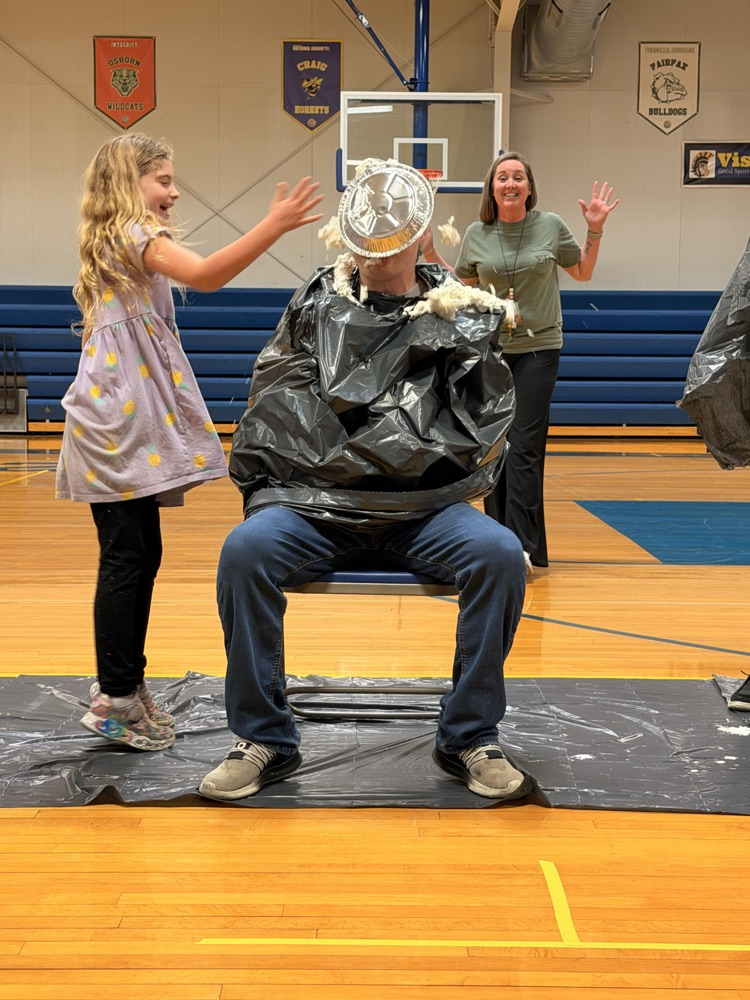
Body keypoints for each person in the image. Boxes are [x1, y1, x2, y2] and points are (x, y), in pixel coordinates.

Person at [199, 159, 530, 803]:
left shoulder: (459, 310)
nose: (377, 257)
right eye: (367, 245)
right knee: (245, 552)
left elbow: (477, 421)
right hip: (318, 507)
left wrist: (368, 444)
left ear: (421, 237)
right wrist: (375, 450)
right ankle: (264, 738)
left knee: (498, 555)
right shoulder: (316, 304)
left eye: (392, 245)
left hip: (423, 509)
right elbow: (278, 402)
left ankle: (468, 736)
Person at [55, 132, 323, 752]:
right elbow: (204, 276)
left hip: (119, 424)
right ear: (130, 183)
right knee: (128, 558)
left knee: (137, 553)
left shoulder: (116, 241)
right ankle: (115, 698)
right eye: (163, 180)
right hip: (116, 427)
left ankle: (124, 683)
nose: (174, 192)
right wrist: (274, 225)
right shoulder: (134, 235)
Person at [436, 152, 618, 576]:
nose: (511, 183)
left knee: (524, 446)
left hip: (539, 349)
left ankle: (519, 547)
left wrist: (594, 230)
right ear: (492, 188)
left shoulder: (549, 226)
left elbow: (582, 272)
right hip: (492, 350)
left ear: (529, 188)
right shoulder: (477, 234)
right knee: (494, 447)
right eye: (503, 177)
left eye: (519, 177)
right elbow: (460, 288)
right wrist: (430, 252)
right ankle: (502, 542)